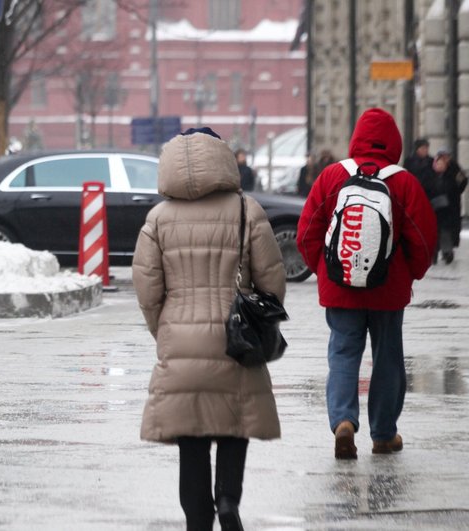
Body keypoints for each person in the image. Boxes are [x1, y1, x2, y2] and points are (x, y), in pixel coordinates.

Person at [132, 127, 285, 531]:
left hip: (180, 340)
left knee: (192, 439)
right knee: (236, 426)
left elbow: (147, 289)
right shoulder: (245, 209)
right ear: (221, 158)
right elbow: (272, 281)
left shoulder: (158, 218)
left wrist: (164, 329)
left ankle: (198, 521)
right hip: (237, 339)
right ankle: (229, 502)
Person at [297, 108, 437, 460]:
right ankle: (384, 434)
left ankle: (344, 421)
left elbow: (306, 232)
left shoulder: (332, 176)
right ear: (395, 142)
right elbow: (422, 239)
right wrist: (411, 274)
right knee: (388, 357)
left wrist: (324, 270)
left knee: (343, 353)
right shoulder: (403, 181)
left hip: (340, 287)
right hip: (388, 290)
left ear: (356, 137)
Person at [432, 149, 468, 264]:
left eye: (446, 156)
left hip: (450, 206)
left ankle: (447, 252)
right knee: (436, 230)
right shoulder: (432, 169)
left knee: (446, 230)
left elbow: (462, 182)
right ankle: (435, 252)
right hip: (435, 206)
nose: (444, 159)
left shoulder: (454, 168)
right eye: (442, 157)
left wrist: (456, 192)